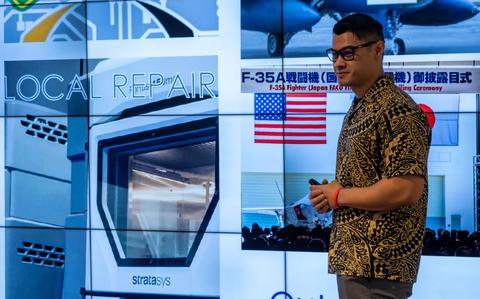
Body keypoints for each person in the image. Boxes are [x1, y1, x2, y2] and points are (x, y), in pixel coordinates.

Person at [309, 13, 431, 299]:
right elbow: (363, 182)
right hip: (355, 263)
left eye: (348, 53)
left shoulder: (400, 111)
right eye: (335, 54)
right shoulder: (361, 107)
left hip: (380, 269)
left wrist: (339, 195)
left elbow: (405, 189)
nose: (338, 63)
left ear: (378, 50)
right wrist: (330, 195)